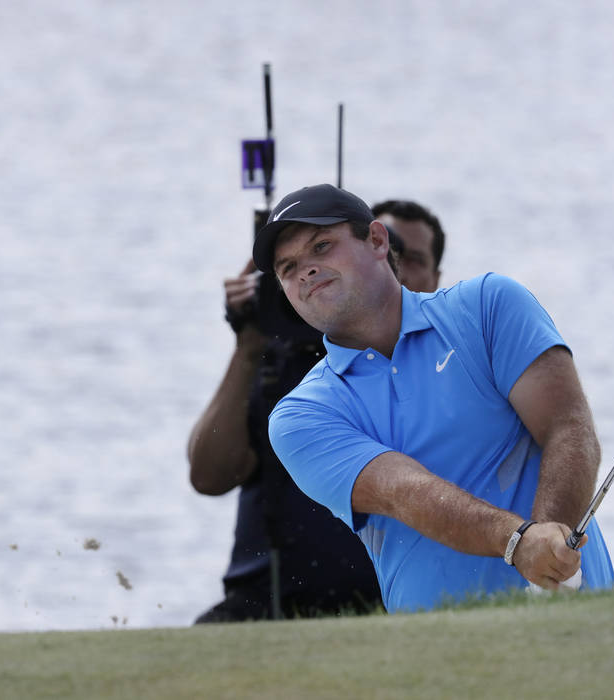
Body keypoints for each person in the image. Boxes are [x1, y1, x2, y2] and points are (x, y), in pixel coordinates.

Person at [253, 183, 614, 612]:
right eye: (288, 267)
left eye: (322, 246)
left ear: (377, 240)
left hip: (578, 619)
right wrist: (520, 542)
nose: (305, 271)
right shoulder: (301, 415)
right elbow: (402, 490)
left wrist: (550, 543)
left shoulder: (487, 305)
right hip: (440, 653)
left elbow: (567, 428)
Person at [188, 199, 444, 622]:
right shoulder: (283, 362)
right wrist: (250, 344)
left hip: (385, 598)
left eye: (412, 258)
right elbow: (208, 476)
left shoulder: (443, 361)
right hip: (268, 599)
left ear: (436, 278)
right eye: (290, 267)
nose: (400, 266)